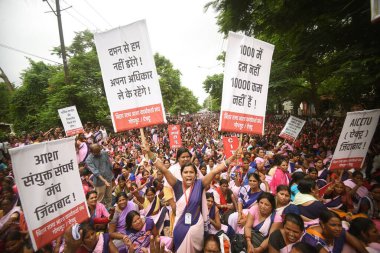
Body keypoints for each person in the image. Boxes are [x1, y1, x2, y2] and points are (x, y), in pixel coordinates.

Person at [144, 142, 238, 252]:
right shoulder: (176, 184)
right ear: (181, 174)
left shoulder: (200, 183)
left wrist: (233, 157)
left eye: (191, 172)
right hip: (180, 227)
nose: (188, 175)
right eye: (186, 172)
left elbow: (216, 170)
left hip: (196, 228)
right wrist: (149, 153)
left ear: (195, 174)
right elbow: (163, 169)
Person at [302, 210, 367, 253]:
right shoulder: (312, 239)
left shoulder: (340, 232)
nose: (338, 228)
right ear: (322, 224)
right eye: (333, 225)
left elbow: (361, 249)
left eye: (339, 225)